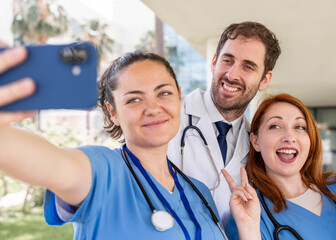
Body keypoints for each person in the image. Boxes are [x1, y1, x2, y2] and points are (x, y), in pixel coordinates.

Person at [0, 50, 230, 239]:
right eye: (134, 99)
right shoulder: (102, 173)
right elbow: (50, 164)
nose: (153, 108)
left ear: (179, 97)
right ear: (113, 113)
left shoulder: (199, 192)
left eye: (164, 93)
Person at [167, 21, 282, 227]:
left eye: (248, 66)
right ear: (213, 62)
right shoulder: (171, 117)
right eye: (227, 60)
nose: (232, 74)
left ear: (265, 80)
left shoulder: (257, 144)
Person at [224, 93, 336, 240]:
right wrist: (249, 229)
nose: (289, 137)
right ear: (255, 141)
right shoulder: (247, 215)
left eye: (299, 127)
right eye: (275, 126)